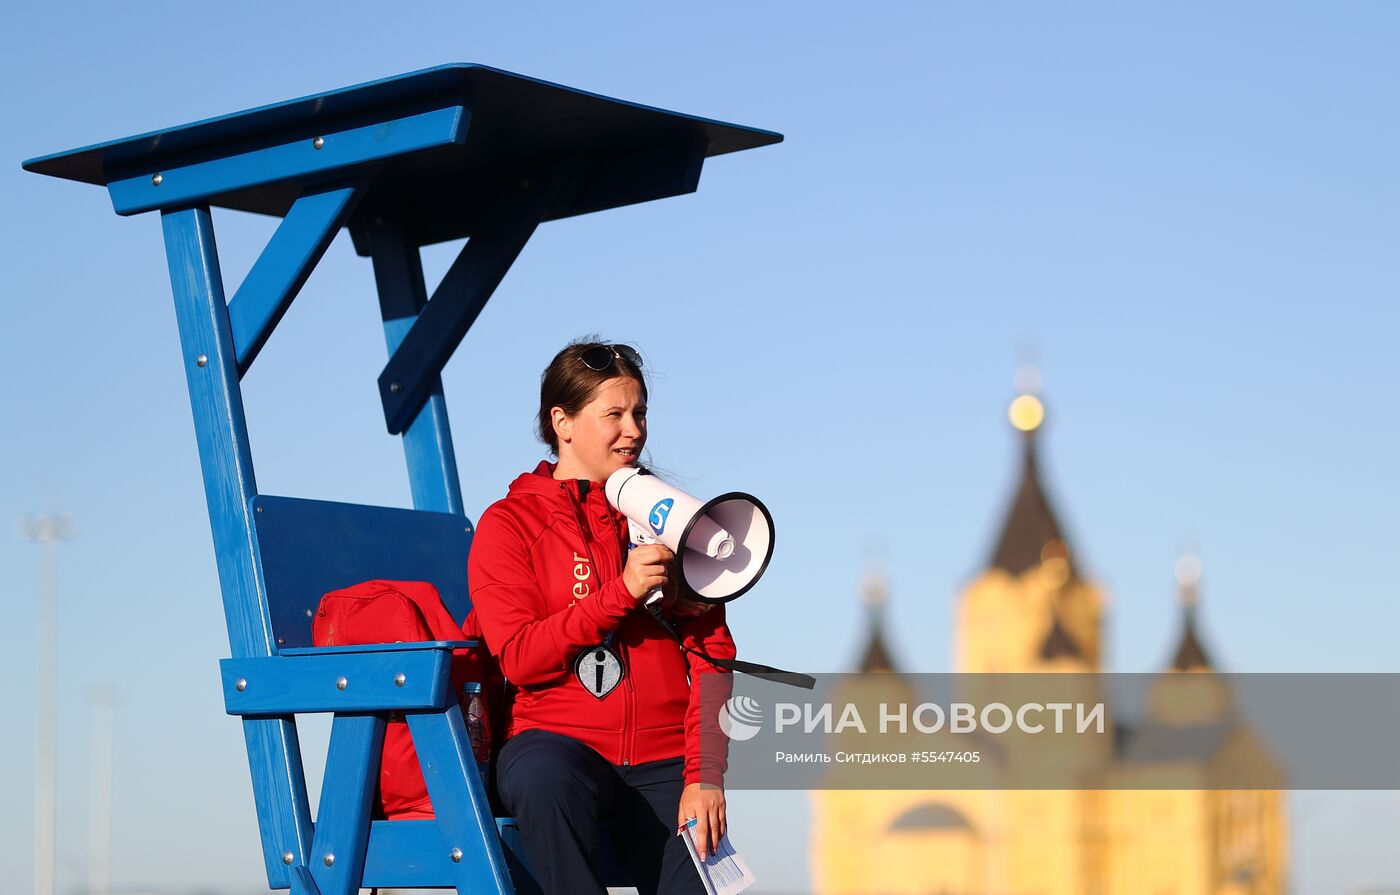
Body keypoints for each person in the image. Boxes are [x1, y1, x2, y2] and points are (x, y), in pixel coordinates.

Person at [469, 340, 736, 895]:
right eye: (613, 414)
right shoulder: (508, 524)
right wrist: (622, 593)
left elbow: (713, 658)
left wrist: (706, 775)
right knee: (544, 780)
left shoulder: (673, 520)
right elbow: (519, 658)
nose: (633, 430)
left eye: (639, 413)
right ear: (562, 423)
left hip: (665, 759)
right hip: (556, 746)